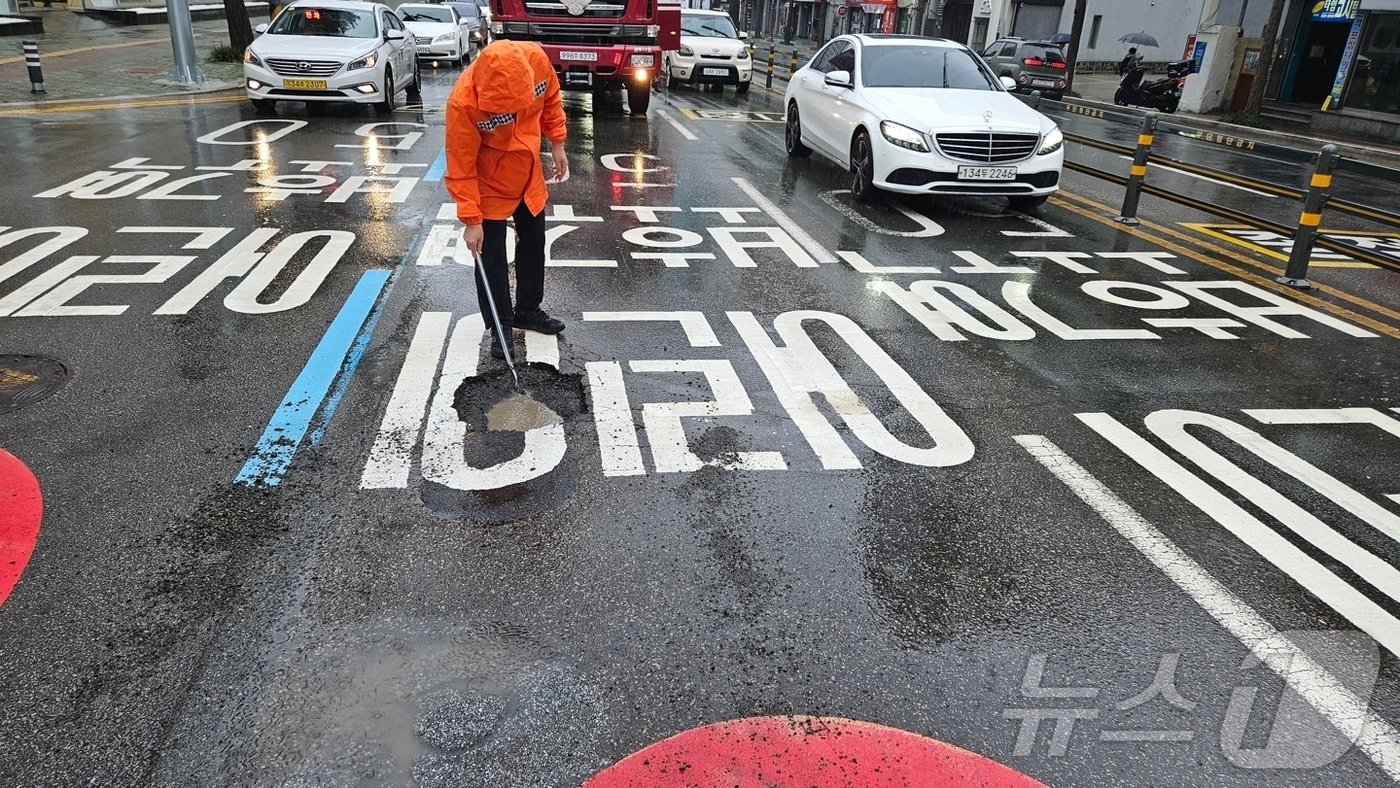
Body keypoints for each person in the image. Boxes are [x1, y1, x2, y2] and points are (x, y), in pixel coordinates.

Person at [445, 40, 570, 360]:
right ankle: (501, 328)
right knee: (491, 256)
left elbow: (553, 98)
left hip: (527, 173)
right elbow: (461, 165)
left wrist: (557, 142)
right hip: (489, 183)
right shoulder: (463, 104)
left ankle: (528, 308)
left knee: (534, 240)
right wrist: (472, 220)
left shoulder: (537, 63)